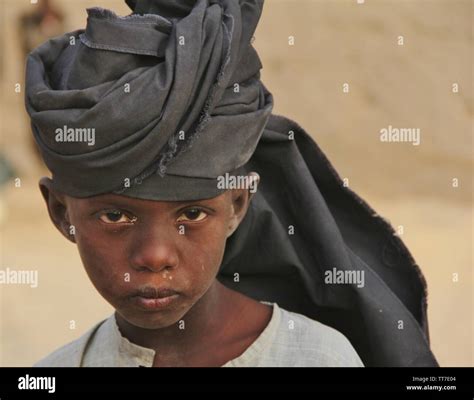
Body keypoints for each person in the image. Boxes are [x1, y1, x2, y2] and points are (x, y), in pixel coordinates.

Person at [25, 0, 437, 367]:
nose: (155, 256)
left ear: (237, 206)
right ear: (62, 213)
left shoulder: (319, 359)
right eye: (116, 215)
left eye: (192, 213)